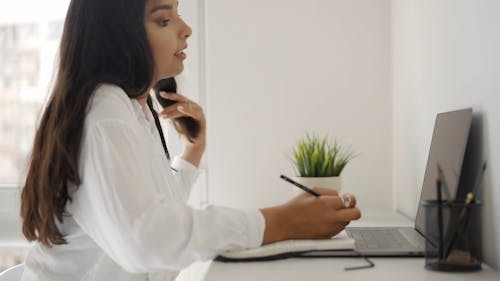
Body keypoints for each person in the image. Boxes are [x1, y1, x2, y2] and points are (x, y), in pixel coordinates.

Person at [19, 0, 361, 280]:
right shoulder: (105, 113)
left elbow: (154, 210)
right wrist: (280, 222)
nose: (186, 30)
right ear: (118, 36)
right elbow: (147, 238)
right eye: (164, 19)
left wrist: (192, 152)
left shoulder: (134, 109)